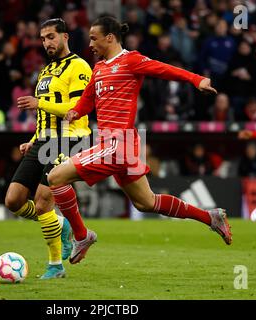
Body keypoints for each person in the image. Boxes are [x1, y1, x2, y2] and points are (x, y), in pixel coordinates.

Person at [47, 16, 232, 265]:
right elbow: (88, 100)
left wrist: (196, 79)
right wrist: (75, 112)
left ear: (109, 38)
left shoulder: (130, 60)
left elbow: (165, 69)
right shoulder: (99, 68)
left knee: (55, 177)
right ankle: (210, 217)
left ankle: (82, 235)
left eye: (94, 38)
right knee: (147, 202)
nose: (90, 44)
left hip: (117, 144)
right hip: (117, 145)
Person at [5, 18, 92, 279]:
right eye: (43, 38)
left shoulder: (78, 66)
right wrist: (34, 138)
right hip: (45, 140)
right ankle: (62, 224)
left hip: (70, 138)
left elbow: (76, 109)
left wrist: (38, 103)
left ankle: (55, 265)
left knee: (43, 203)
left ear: (65, 37)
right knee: (14, 200)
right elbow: (46, 115)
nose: (47, 42)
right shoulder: (46, 71)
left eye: (51, 36)